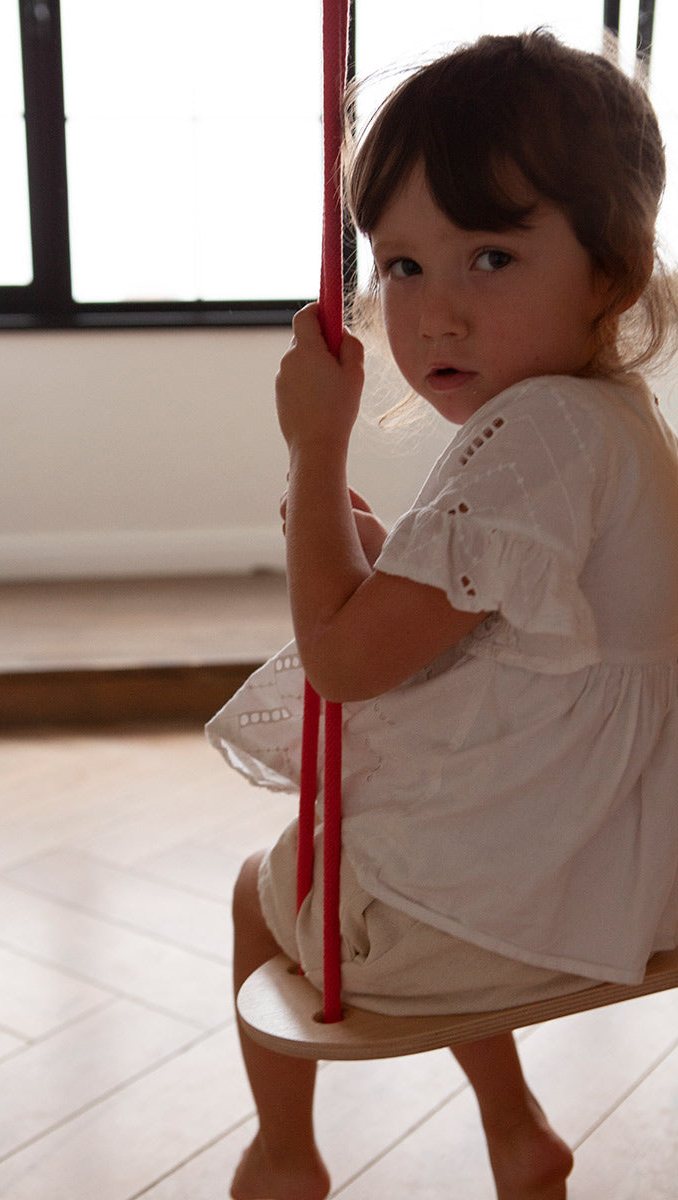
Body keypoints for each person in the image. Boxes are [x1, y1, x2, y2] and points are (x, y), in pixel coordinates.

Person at [206, 29, 678, 1200]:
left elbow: (346, 665)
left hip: (520, 902)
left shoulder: (533, 434)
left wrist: (314, 454)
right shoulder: (612, 424)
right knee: (414, 844)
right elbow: (461, 623)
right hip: (605, 868)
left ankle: (283, 1157)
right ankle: (515, 1134)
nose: (433, 316)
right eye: (401, 266)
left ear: (611, 271)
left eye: (489, 256)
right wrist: (370, 556)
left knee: (265, 888)